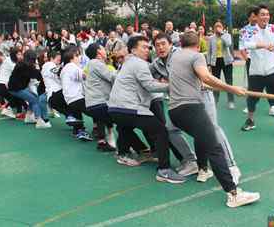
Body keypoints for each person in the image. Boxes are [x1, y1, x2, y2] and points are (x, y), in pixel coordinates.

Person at [168, 31, 260, 208]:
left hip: (175, 112)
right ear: (199, 45)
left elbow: (193, 80)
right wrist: (231, 88)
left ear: (181, 43)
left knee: (203, 138)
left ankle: (203, 170)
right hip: (190, 108)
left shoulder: (176, 56)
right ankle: (233, 194)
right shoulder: (196, 56)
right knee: (215, 147)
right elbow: (206, 77)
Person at [108, 36, 185, 184]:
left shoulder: (128, 63)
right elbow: (149, 85)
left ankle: (123, 154)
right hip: (128, 107)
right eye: (144, 47)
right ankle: (164, 170)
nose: (147, 50)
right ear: (133, 50)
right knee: (160, 130)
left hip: (114, 108)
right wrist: (171, 86)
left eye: (149, 47)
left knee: (124, 126)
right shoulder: (139, 63)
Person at [150, 33, 199, 177]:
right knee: (171, 129)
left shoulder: (180, 56)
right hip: (176, 101)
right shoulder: (157, 63)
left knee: (206, 132)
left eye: (163, 44)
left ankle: (226, 165)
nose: (160, 47)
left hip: (194, 98)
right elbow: (145, 76)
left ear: (171, 44)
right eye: (157, 45)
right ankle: (192, 161)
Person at [241, 4, 274, 134]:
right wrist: (264, 45)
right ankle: (250, 120)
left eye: (267, 14)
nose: (265, 17)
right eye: (262, 14)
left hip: (272, 70)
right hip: (256, 71)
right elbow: (246, 44)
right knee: (252, 98)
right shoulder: (248, 30)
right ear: (256, 17)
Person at [239, 7, 274, 116]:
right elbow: (242, 46)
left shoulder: (268, 29)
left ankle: (273, 106)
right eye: (253, 16)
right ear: (250, 17)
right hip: (252, 61)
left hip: (266, 61)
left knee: (270, 84)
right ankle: (251, 106)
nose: (255, 18)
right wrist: (246, 58)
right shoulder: (244, 30)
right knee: (253, 86)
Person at [84, 43, 118, 151]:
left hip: (94, 102)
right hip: (99, 102)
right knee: (123, 120)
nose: (105, 51)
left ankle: (103, 141)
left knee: (103, 119)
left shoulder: (91, 64)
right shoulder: (96, 63)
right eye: (103, 48)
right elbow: (112, 77)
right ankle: (124, 148)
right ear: (98, 51)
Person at [8, 50, 50, 128]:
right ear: (31, 59)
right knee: (35, 100)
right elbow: (36, 75)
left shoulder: (22, 64)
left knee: (33, 97)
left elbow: (34, 74)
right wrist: (41, 74)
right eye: (34, 59)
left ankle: (29, 117)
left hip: (16, 87)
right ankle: (39, 121)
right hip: (16, 88)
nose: (35, 60)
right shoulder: (25, 66)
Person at [61, 47, 93, 141]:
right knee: (96, 113)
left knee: (77, 116)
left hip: (69, 99)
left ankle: (79, 131)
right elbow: (84, 76)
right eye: (77, 55)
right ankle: (101, 135)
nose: (80, 58)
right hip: (78, 97)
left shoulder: (64, 69)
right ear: (72, 57)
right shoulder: (73, 67)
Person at [207, 22, 235, 109]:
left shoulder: (226, 35)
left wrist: (222, 34)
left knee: (229, 81)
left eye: (219, 27)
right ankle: (215, 100)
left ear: (222, 28)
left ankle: (231, 101)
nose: (218, 28)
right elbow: (209, 52)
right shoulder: (211, 38)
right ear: (214, 29)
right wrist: (208, 63)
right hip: (215, 62)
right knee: (215, 82)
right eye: (216, 27)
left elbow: (228, 44)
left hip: (226, 61)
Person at [0, 49, 25, 118]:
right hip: (3, 85)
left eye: (21, 54)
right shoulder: (12, 62)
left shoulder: (8, 60)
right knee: (18, 95)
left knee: (16, 97)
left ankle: (16, 111)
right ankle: (7, 108)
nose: (20, 56)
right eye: (19, 54)